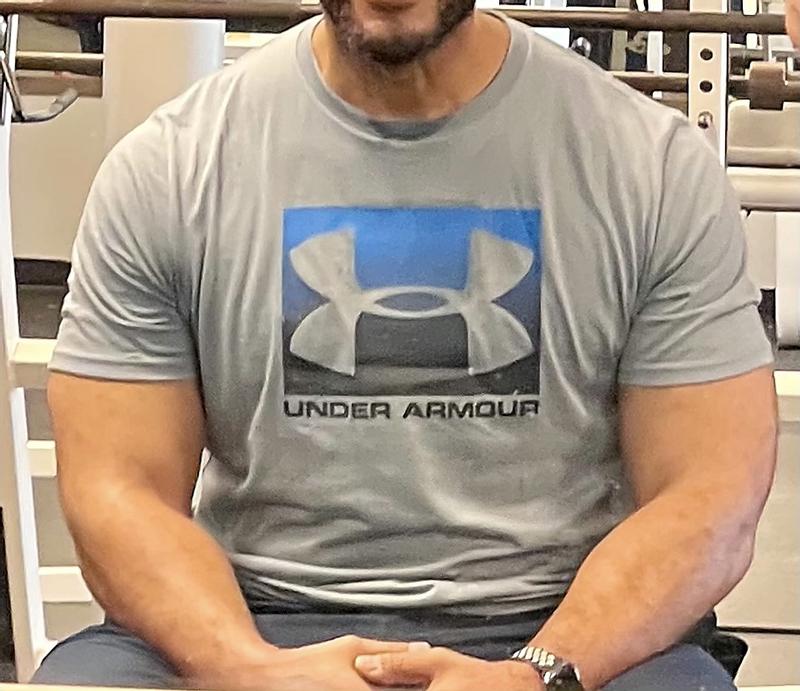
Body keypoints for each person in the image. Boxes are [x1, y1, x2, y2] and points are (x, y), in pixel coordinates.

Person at [34, 0, 778, 688]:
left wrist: (534, 673)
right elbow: (118, 490)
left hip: (559, 619)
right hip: (257, 611)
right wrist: (248, 666)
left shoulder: (650, 166)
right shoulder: (168, 169)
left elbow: (708, 495)